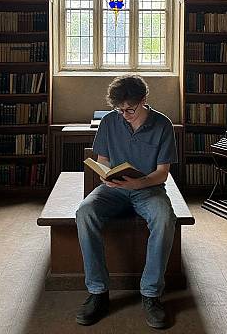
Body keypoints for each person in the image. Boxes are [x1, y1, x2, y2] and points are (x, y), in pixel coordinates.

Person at [75, 74, 178, 329]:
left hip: (148, 189)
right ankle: (98, 292)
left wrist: (138, 183)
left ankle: (151, 294)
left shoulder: (163, 125)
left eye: (129, 109)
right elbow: (103, 161)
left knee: (165, 218)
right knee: (85, 211)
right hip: (114, 189)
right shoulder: (110, 122)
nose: (124, 114)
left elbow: (162, 173)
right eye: (119, 109)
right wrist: (107, 176)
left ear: (144, 100)